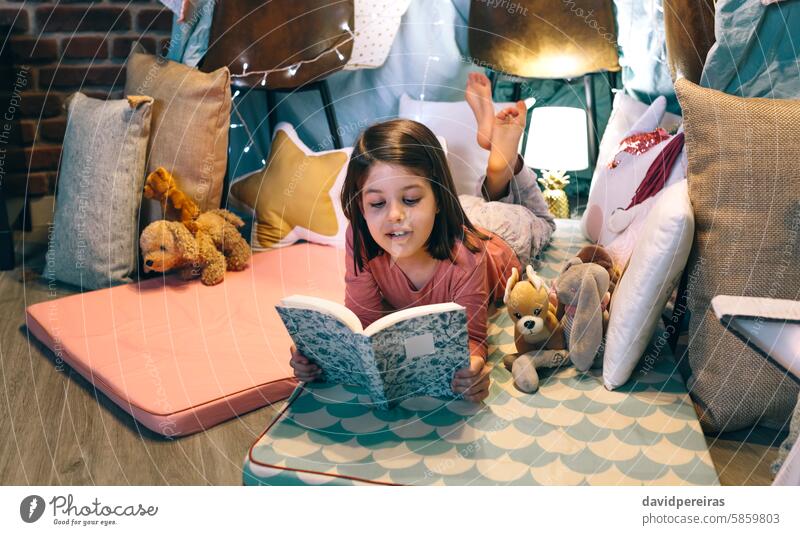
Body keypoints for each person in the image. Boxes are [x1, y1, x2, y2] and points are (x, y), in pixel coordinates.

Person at [290, 73, 556, 402]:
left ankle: (505, 164)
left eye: (410, 200)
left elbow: (471, 339)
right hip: (451, 218)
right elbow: (366, 327)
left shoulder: (466, 258)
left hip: (502, 237)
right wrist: (320, 357)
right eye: (376, 203)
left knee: (542, 220)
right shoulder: (361, 236)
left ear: (438, 199)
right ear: (360, 205)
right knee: (478, 204)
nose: (393, 215)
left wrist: (470, 369)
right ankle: (492, 161)